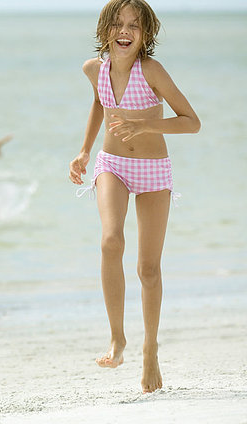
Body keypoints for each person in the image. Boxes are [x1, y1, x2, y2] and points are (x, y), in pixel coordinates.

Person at [69, 0, 200, 393]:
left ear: (146, 35)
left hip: (154, 171)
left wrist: (144, 124)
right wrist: (84, 150)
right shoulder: (95, 69)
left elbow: (191, 122)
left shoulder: (152, 71)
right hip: (112, 165)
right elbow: (99, 101)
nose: (125, 31)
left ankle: (150, 351)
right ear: (106, 28)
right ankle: (117, 338)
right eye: (119, 24)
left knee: (148, 269)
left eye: (135, 26)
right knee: (111, 240)